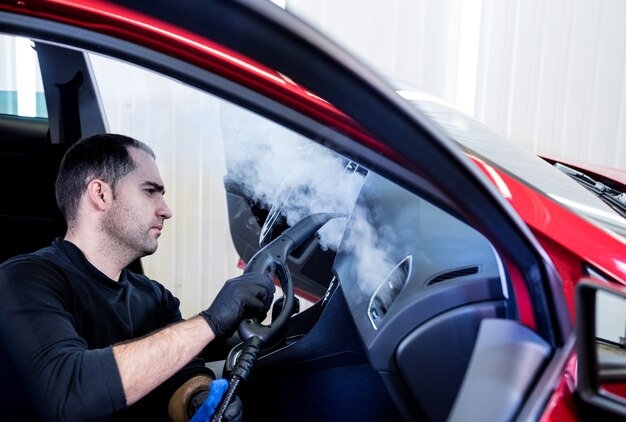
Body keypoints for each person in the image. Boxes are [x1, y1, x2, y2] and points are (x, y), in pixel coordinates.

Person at [0, 133, 275, 421]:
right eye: (150, 191)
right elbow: (66, 391)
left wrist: (198, 397)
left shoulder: (156, 297)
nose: (166, 210)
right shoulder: (24, 280)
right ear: (101, 194)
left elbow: (182, 375)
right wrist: (209, 322)